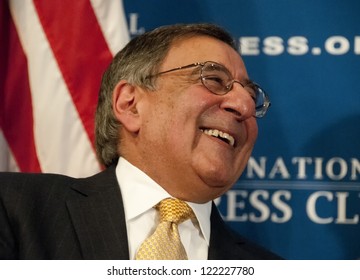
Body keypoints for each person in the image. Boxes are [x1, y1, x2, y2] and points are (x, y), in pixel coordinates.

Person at [0, 23, 278, 260]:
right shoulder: (15, 209)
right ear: (130, 105)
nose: (244, 106)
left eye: (251, 96)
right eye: (214, 79)